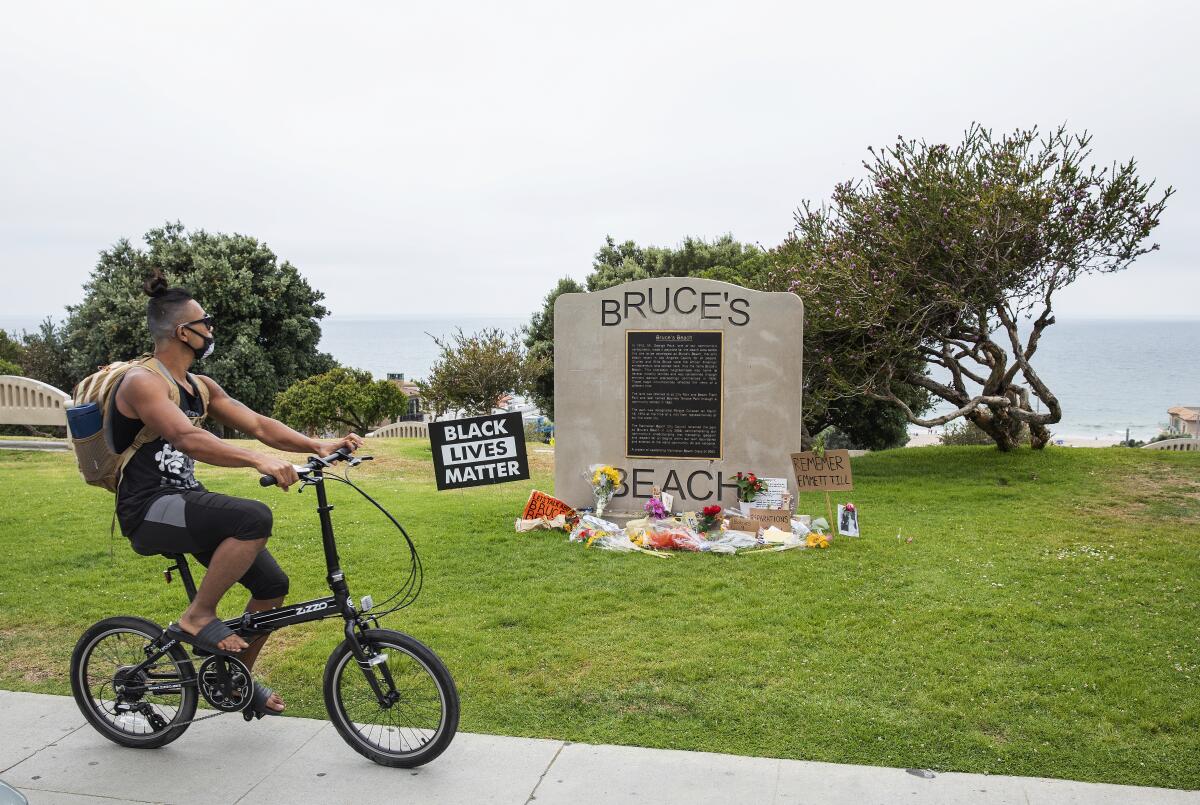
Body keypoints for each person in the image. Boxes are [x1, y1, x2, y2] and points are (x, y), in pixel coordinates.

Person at [113, 270, 362, 715]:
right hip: (148, 508)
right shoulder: (142, 382)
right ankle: (197, 616)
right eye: (204, 323)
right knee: (253, 516)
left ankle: (234, 681)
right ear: (181, 332)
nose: (210, 330)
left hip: (183, 500)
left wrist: (317, 444)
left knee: (271, 586)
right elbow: (186, 438)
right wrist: (256, 460)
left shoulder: (201, 386)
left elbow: (260, 425)